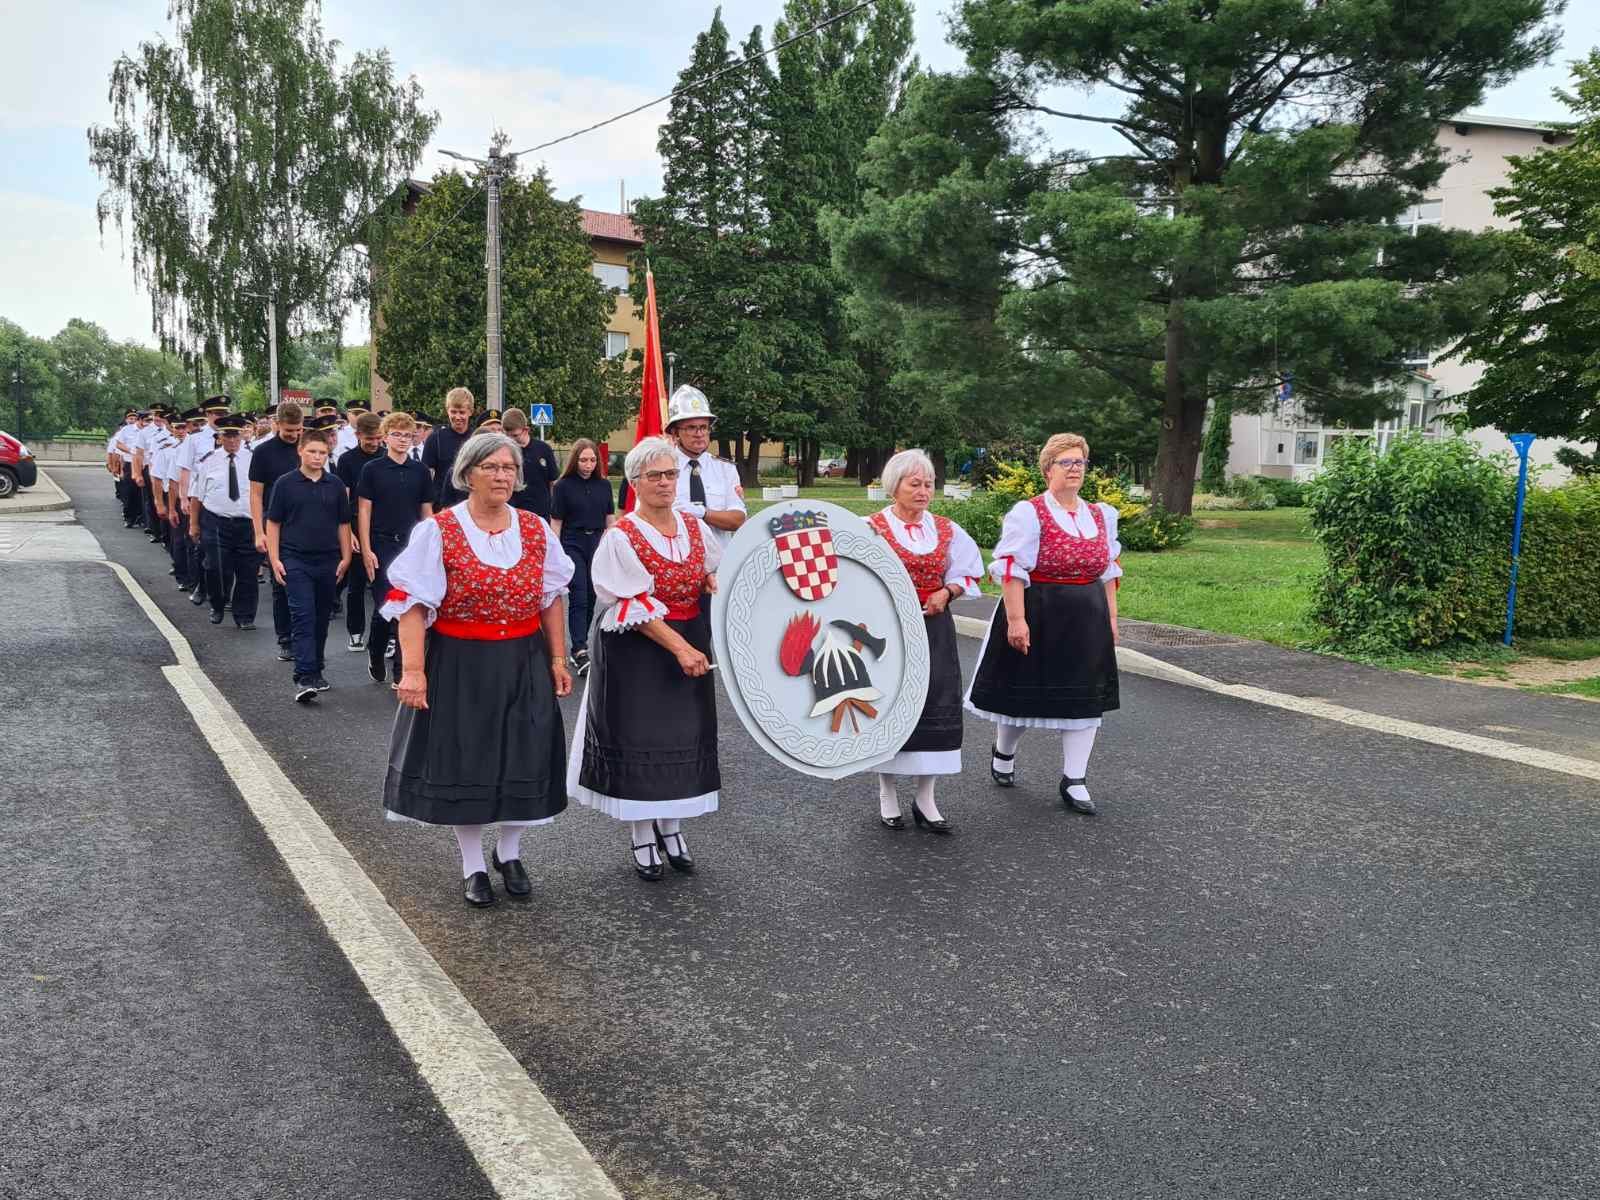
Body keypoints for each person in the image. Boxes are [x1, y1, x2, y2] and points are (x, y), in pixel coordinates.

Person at [382, 431, 574, 908]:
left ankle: (510, 853)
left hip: (523, 659)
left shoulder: (533, 529)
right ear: (468, 474)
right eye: (491, 467)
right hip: (460, 662)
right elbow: (411, 605)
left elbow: (552, 598)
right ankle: (472, 863)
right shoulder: (440, 530)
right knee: (466, 760)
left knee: (524, 755)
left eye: (509, 468)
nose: (502, 475)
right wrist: (413, 670)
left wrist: (556, 658)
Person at [569, 436, 721, 880]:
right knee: (643, 738)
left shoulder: (695, 528)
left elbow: (708, 568)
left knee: (683, 734)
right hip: (638, 647)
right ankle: (641, 834)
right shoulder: (622, 537)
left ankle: (672, 829)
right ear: (634, 482)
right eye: (653, 475)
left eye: (670, 474)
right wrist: (680, 648)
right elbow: (630, 605)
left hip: (689, 633)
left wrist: (708, 580)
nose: (664, 483)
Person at [965, 433, 1122, 815]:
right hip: (1038, 610)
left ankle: (1075, 779)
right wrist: (1016, 620)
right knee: (1023, 695)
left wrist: (1112, 620)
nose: (1075, 470)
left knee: (1085, 698)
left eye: (1080, 463)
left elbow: (1108, 572)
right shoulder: (1029, 513)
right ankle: (1004, 752)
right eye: (1066, 463)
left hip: (1087, 615)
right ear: (1048, 469)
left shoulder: (1102, 515)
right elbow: (1012, 570)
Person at [866, 449, 984, 834]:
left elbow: (967, 573)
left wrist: (946, 592)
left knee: (935, 701)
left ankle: (925, 797)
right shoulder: (870, 527)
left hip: (933, 628)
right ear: (894, 486)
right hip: (887, 630)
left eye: (929, 483)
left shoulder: (946, 529)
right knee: (890, 704)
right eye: (914, 483)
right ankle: (887, 792)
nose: (923, 491)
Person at [266, 417, 352, 701]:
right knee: (302, 616)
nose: (317, 457)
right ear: (301, 451)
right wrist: (275, 558)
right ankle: (304, 677)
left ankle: (316, 668)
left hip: (328, 560)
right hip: (294, 559)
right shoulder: (285, 484)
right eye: (312, 451)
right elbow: (274, 523)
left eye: (323, 453)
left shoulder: (335, 485)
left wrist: (347, 556)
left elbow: (343, 524)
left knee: (320, 617)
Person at [357, 411, 433, 686]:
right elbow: (364, 510)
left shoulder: (420, 471)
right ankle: (376, 651)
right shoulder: (372, 470)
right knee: (385, 606)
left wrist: (430, 546)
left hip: (412, 545)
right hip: (382, 543)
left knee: (408, 607)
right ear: (385, 437)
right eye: (397, 434)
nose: (402, 440)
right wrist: (366, 549)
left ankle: (402, 671)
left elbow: (427, 511)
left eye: (407, 435)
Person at [189, 413, 263, 629]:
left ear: (242, 437)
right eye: (227, 436)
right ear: (220, 437)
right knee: (216, 569)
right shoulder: (208, 461)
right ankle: (218, 604)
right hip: (216, 522)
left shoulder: (253, 460)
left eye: (235, 436)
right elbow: (197, 496)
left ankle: (245, 616)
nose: (232, 440)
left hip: (247, 523)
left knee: (248, 572)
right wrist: (194, 524)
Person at [550, 437, 614, 676]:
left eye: (592, 460)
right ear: (575, 460)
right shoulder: (563, 486)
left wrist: (610, 544)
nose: (588, 464)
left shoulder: (604, 485)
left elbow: (610, 519)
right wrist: (555, 553)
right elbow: (556, 522)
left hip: (597, 541)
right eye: (584, 460)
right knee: (578, 594)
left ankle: (582, 643)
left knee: (591, 594)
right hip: (572, 542)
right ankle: (578, 647)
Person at [249, 401, 306, 661]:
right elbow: (256, 494)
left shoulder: (307, 449)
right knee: (281, 583)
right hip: (276, 527)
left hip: (307, 525)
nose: (294, 436)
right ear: (276, 424)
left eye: (298, 430)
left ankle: (304, 637)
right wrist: (258, 531)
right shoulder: (263, 452)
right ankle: (285, 638)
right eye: (288, 431)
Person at [661, 385, 745, 546]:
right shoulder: (661, 468)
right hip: (675, 561)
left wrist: (703, 513)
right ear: (675, 432)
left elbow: (737, 519)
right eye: (691, 427)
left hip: (719, 563)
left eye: (704, 427)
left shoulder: (725, 469)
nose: (699, 434)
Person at [334, 411, 384, 652]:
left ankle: (386, 636)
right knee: (356, 584)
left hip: (382, 528)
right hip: (354, 525)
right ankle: (355, 632)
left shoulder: (387, 456)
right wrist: (349, 533)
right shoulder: (347, 461)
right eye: (369, 439)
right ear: (357, 435)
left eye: (378, 438)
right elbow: (342, 499)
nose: (374, 443)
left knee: (384, 585)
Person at [178, 396, 229, 609]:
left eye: (224, 413)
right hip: (201, 498)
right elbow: (185, 469)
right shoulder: (195, 439)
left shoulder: (233, 437)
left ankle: (223, 593)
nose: (221, 417)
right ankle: (200, 585)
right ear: (207, 415)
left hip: (225, 498)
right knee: (200, 545)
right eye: (217, 413)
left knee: (225, 550)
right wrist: (183, 497)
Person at [420, 387, 476, 509]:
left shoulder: (477, 439)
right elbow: (425, 477)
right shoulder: (436, 439)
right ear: (447, 411)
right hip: (443, 506)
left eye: (462, 412)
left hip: (472, 504)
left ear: (470, 411)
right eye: (453, 412)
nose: (457, 417)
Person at [502, 407, 560, 520]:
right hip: (513, 515)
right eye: (507, 436)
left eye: (515, 436)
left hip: (541, 514)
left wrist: (553, 510)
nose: (510, 440)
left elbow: (553, 482)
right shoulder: (504, 451)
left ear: (526, 430)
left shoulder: (543, 449)